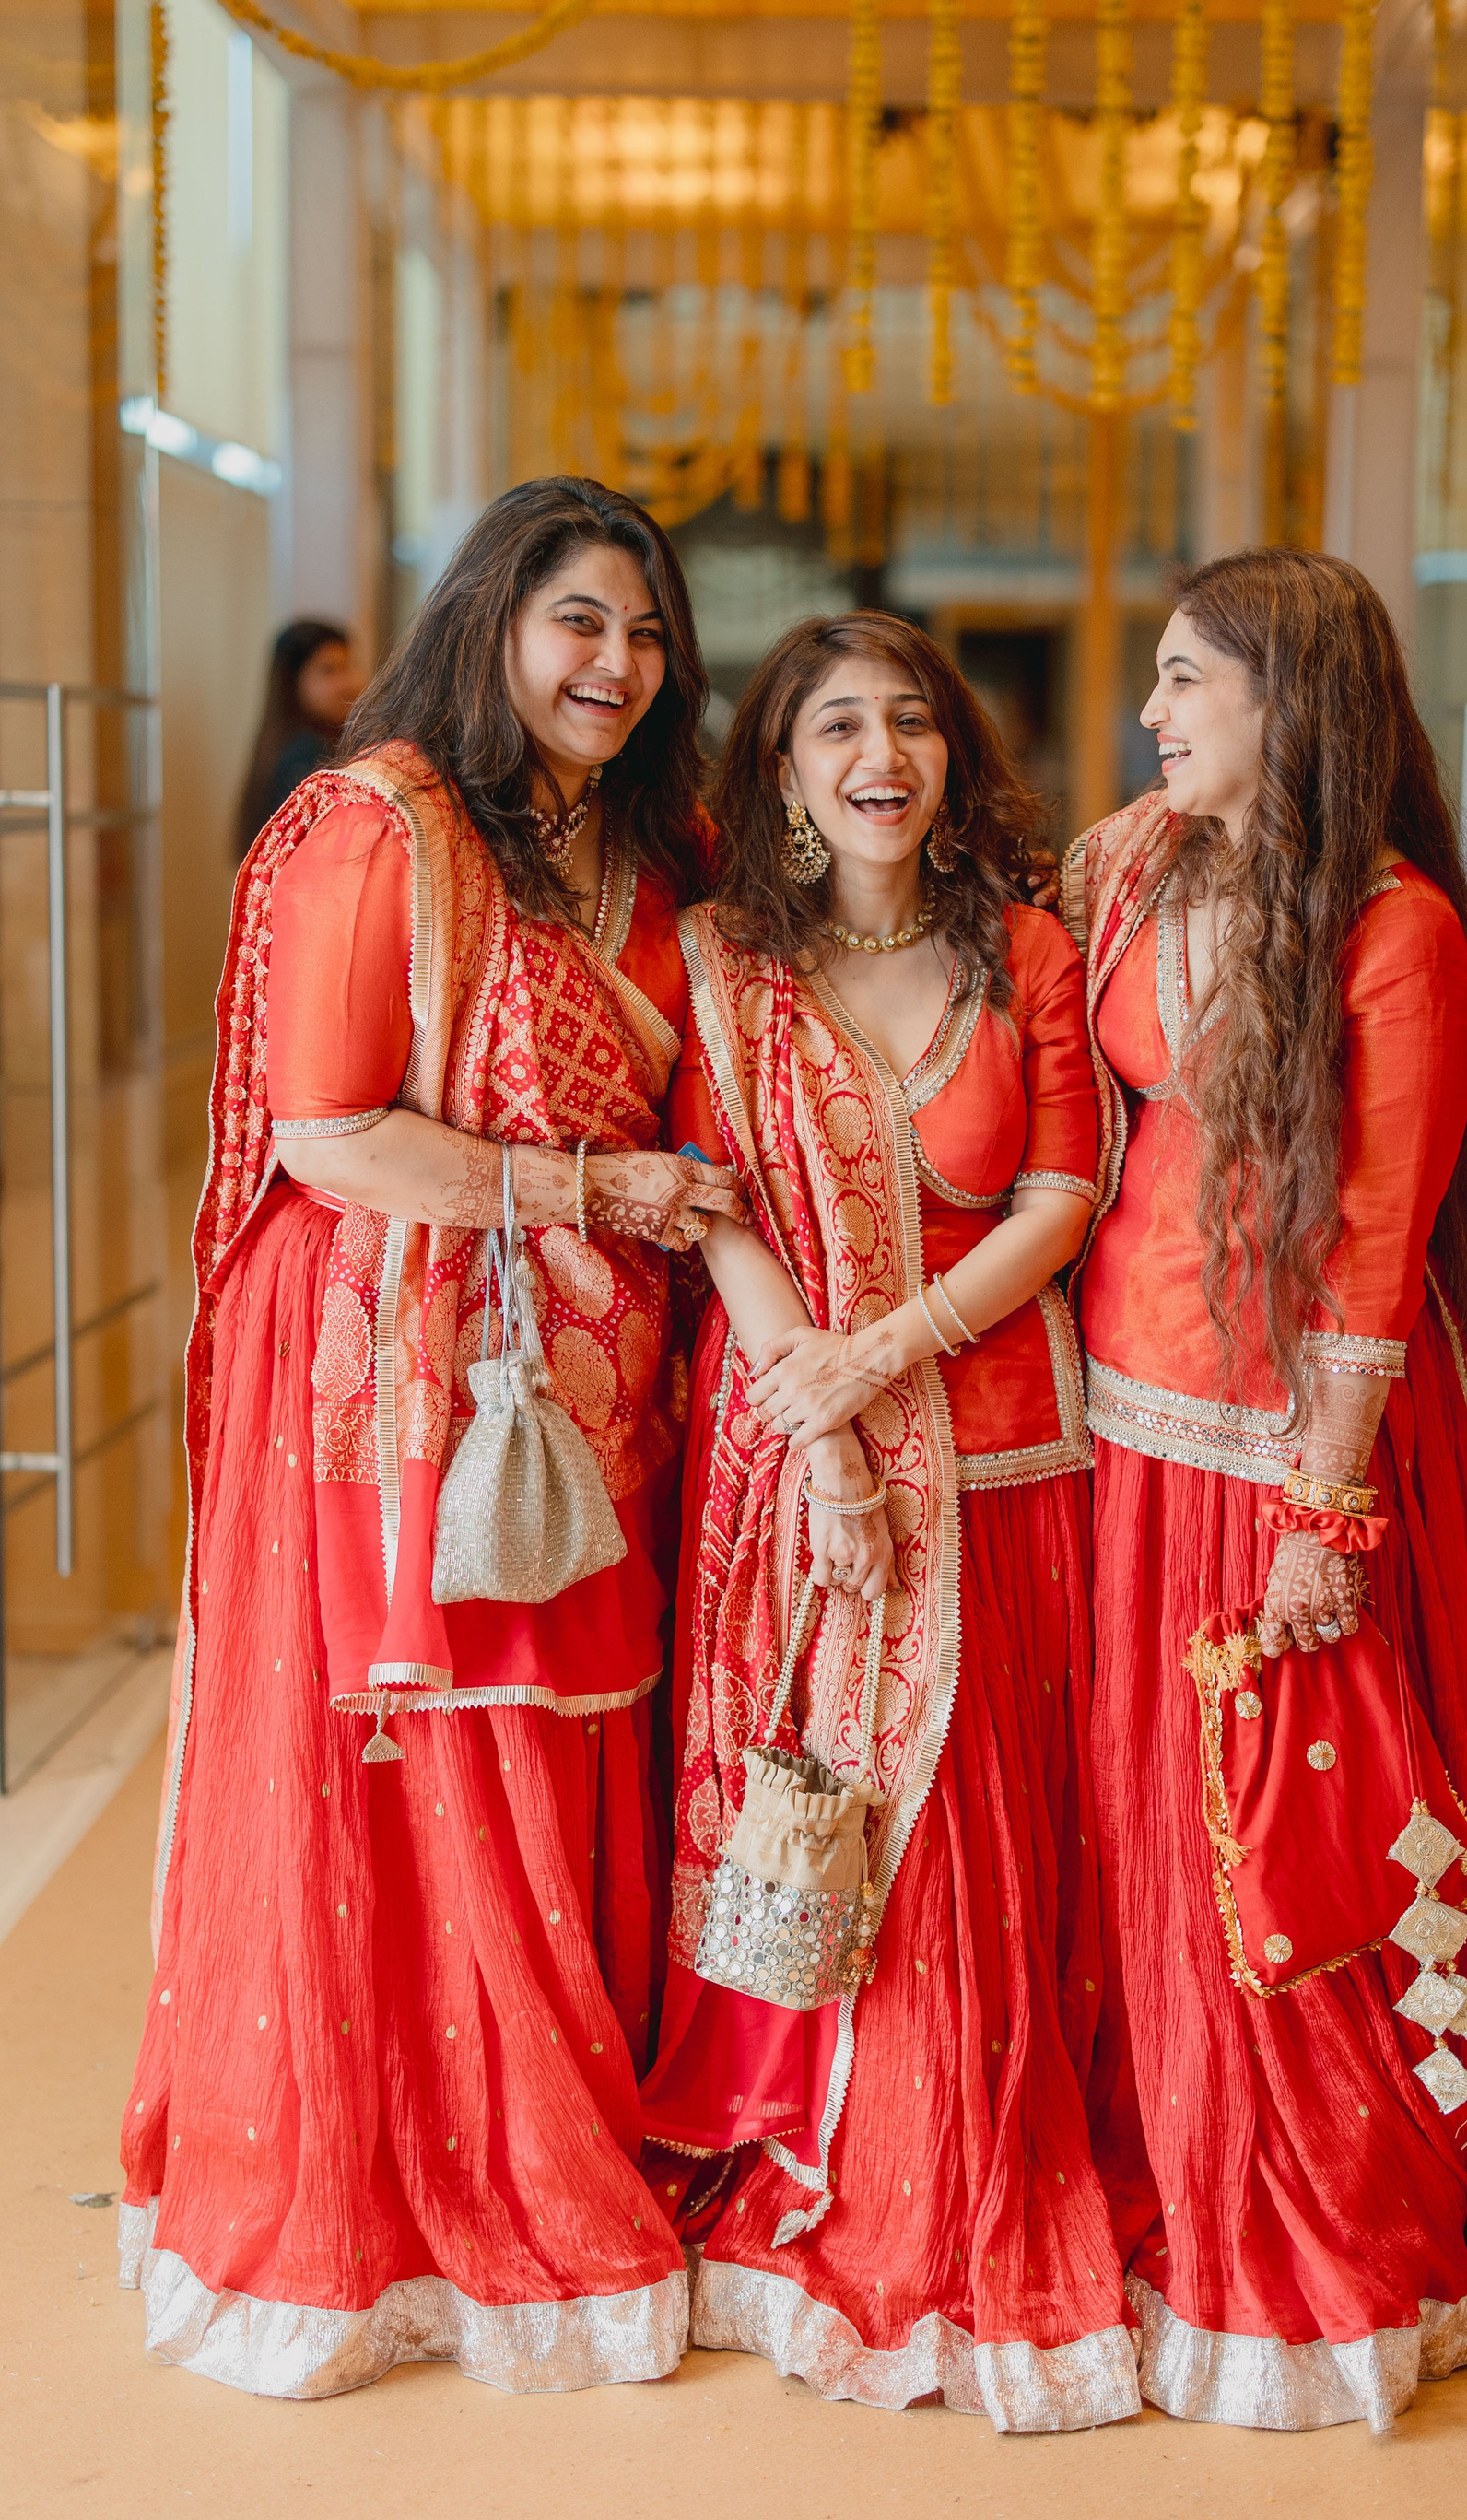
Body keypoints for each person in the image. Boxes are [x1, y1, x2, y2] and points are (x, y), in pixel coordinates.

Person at [119, 476, 745, 2398]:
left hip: (597, 1364)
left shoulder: (666, 843)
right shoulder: (381, 822)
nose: (618, 663)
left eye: (647, 632)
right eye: (580, 620)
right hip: (391, 1358)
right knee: (437, 1761)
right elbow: (330, 1134)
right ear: (491, 620)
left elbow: (811, 908)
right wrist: (592, 1191)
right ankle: (416, 2189)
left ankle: (563, 2123)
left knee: (570, 1745)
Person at [1072, 548, 1467, 2434]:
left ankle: (1319, 2238)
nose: (1152, 713)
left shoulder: (1395, 928)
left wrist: (1321, 1514)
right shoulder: (1142, 867)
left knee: (1299, 1846)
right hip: (1122, 1429)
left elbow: (1369, 1252)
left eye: (1186, 679)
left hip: (1285, 1454)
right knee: (1151, 1838)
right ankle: (1175, 2171)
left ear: (1291, 699)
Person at [639, 614, 1140, 2432]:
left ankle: (970, 2159)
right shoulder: (724, 964)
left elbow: (1063, 1197)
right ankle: (821, 2153)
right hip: (793, 1451)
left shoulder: (1027, 950)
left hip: (1004, 1453)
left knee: (985, 1832)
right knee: (827, 1799)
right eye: (837, 724)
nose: (882, 753)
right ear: (780, 770)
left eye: (912, 720)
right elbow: (712, 1206)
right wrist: (828, 1419)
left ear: (953, 756)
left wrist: (890, 1352)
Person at [235, 618, 364, 857]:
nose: (349, 682)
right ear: (292, 682)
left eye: (348, 667)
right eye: (329, 671)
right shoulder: (305, 755)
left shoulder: (283, 746)